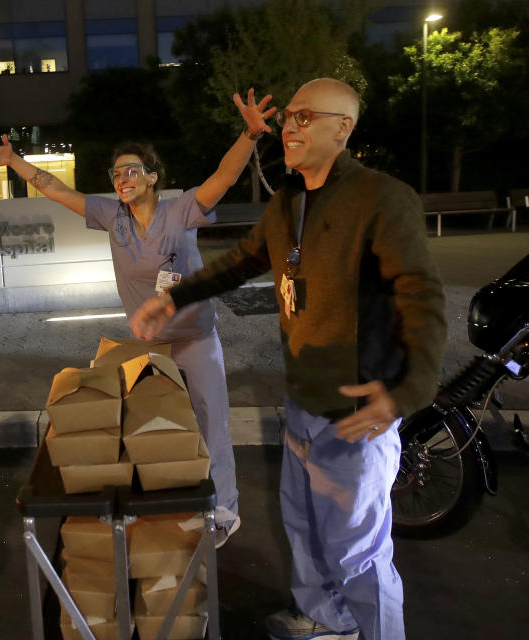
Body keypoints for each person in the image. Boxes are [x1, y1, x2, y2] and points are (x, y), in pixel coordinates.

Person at [130, 78, 446, 640]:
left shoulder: (382, 197)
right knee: (302, 528)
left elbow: (420, 296)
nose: (291, 127)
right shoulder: (288, 201)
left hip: (357, 412)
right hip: (301, 402)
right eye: (290, 116)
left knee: (358, 554)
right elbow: (239, 263)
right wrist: (174, 297)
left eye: (306, 116)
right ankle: (326, 621)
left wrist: (407, 389)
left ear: (342, 128)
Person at [0, 90, 276, 547]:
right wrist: (14, 160)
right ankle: (155, 502)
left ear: (152, 177)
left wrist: (250, 134)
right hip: (149, 345)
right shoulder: (111, 217)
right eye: (116, 173)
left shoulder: (180, 210)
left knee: (211, 422)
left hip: (194, 337)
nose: (122, 178)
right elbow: (55, 190)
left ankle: (225, 511)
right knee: (146, 425)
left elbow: (224, 176)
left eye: (133, 170)